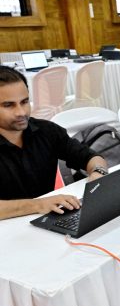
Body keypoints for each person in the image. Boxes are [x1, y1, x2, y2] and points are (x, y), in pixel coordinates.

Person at [0, 66, 108, 221]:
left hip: (47, 220)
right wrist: (38, 205)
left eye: (24, 102)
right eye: (8, 105)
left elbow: (90, 157)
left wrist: (98, 173)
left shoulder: (46, 131)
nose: (21, 112)